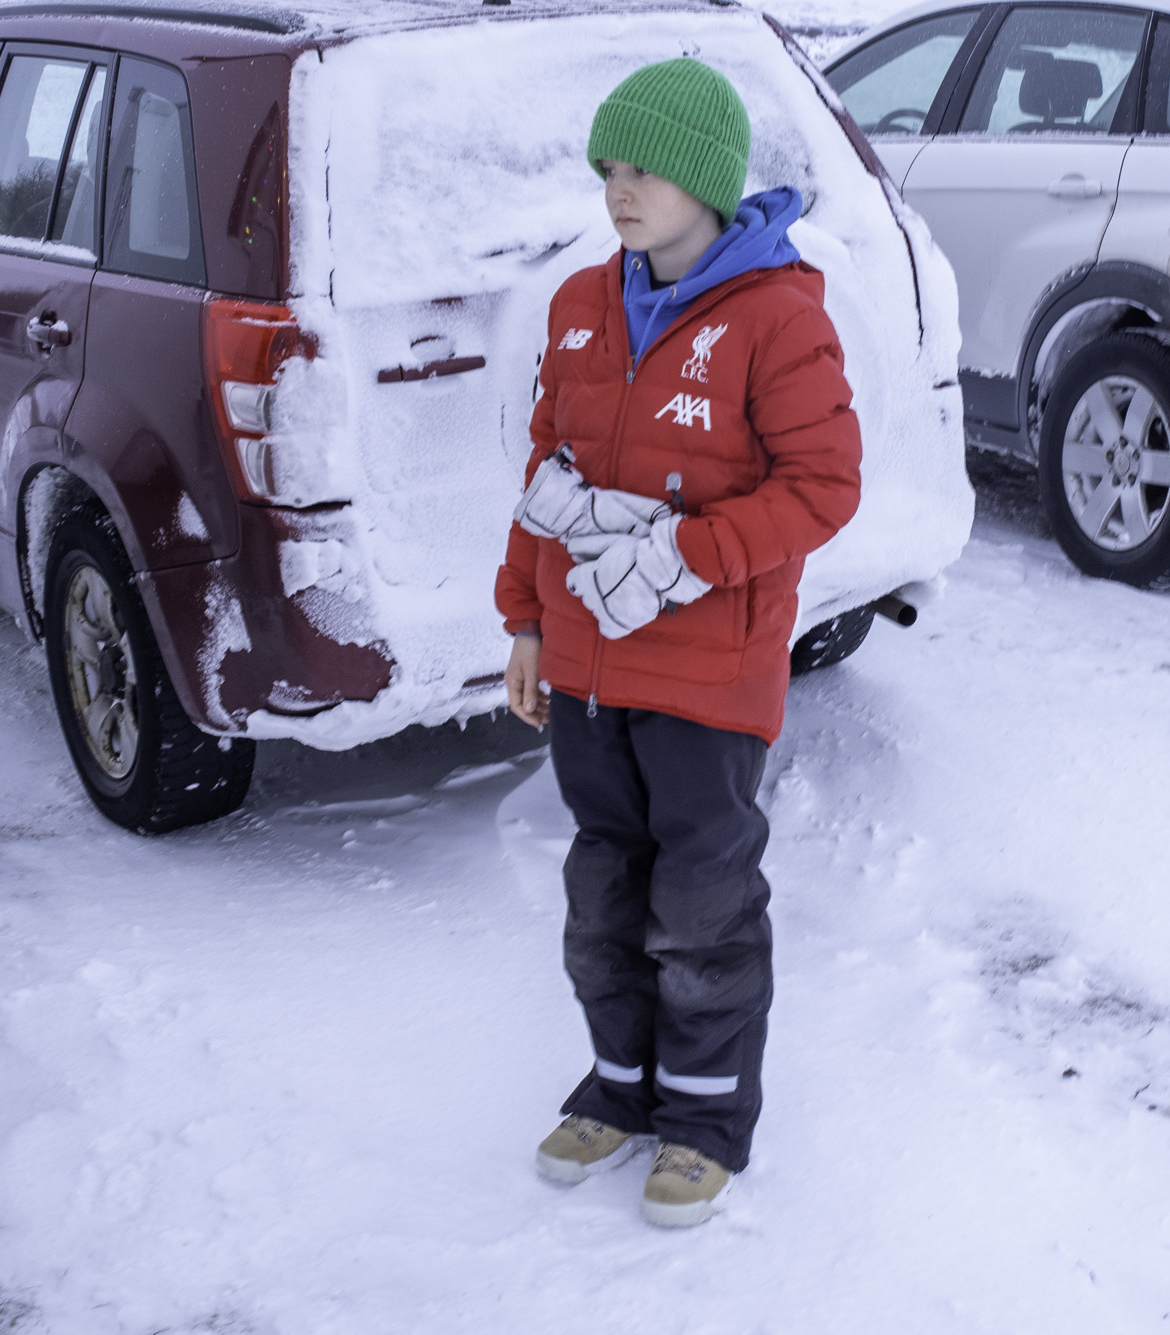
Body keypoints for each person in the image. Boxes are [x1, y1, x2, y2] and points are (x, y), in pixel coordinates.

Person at [494, 57, 863, 1227]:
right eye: (607, 168)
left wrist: (686, 557)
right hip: (587, 663)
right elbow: (546, 472)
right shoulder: (578, 304)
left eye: (643, 169)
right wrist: (523, 618)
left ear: (705, 179)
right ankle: (617, 1087)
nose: (618, 190)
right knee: (603, 885)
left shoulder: (776, 317)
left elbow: (823, 485)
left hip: (707, 672)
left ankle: (701, 1118)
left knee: (700, 896)